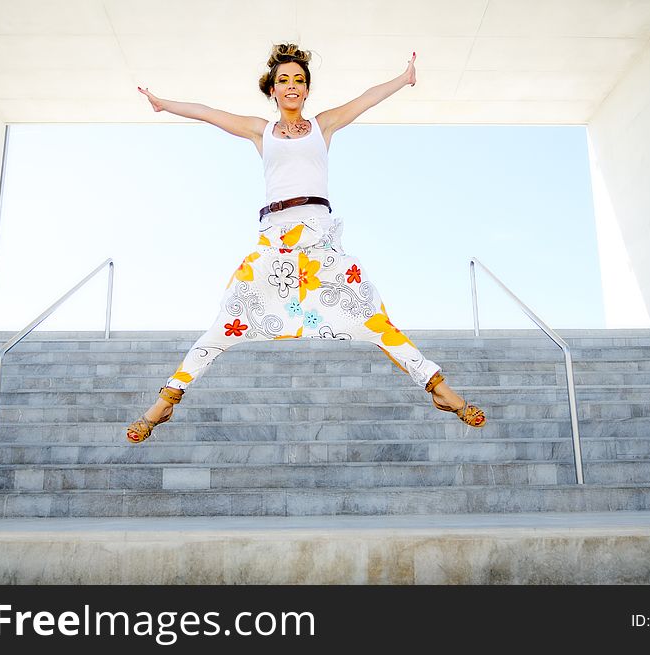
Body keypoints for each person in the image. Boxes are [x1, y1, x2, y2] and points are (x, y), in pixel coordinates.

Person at [126, 43, 486, 443]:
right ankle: (168, 398)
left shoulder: (322, 125)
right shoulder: (259, 130)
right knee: (228, 322)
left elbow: (365, 99)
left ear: (307, 89)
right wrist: (163, 104)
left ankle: (437, 387)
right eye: (284, 80)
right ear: (272, 90)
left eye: (299, 80)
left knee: (372, 317)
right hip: (275, 245)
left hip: (320, 245)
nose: (292, 86)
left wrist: (404, 78)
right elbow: (208, 113)